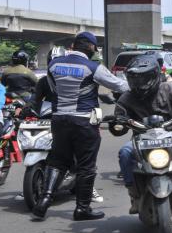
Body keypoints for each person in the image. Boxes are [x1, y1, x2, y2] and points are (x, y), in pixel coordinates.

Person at [32, 32, 129, 221]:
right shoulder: (93, 67)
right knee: (86, 166)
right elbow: (120, 86)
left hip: (59, 119)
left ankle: (44, 201)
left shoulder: (53, 65)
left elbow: (51, 87)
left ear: (73, 45)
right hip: (84, 121)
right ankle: (82, 208)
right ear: (92, 48)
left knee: (57, 161)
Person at [110, 54, 172, 213]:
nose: (138, 83)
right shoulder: (127, 97)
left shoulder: (170, 88)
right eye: (134, 79)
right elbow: (119, 118)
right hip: (141, 140)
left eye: (142, 78)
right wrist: (116, 123)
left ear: (154, 76)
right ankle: (133, 194)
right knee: (124, 153)